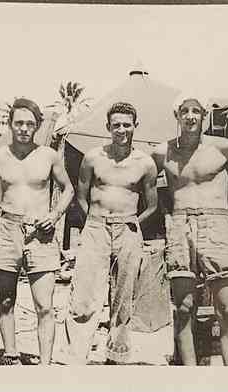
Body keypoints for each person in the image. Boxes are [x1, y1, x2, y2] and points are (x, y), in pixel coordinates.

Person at [151, 94, 228, 366]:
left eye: (196, 111)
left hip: (216, 224)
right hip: (180, 226)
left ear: (204, 115)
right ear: (177, 116)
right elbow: (147, 182)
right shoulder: (162, 152)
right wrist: (167, 214)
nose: (190, 116)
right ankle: (192, 378)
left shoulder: (222, 147)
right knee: (184, 309)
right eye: (184, 111)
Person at [65, 102, 158, 364]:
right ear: (108, 127)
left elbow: (152, 205)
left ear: (135, 126)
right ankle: (76, 357)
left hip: (128, 228)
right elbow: (81, 196)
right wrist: (94, 222)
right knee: (84, 293)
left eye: (127, 125)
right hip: (96, 227)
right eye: (116, 125)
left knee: (123, 296)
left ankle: (116, 356)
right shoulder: (93, 157)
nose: (121, 130)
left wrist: (132, 224)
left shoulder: (145, 163)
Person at [0, 98, 74, 365]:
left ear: (37, 126)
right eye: (19, 123)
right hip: (7, 229)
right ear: (10, 124)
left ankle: (44, 365)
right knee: (6, 300)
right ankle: (11, 355)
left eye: (30, 124)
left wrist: (54, 216)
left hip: (40, 233)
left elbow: (68, 189)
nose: (24, 128)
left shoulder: (48, 155)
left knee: (44, 305)